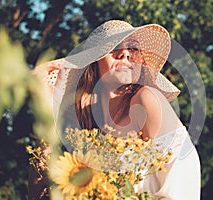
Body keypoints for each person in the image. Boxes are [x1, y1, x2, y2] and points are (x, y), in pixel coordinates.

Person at [32, 20, 201, 200]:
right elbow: (39, 191)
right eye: (113, 47)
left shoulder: (147, 99)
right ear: (94, 61)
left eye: (134, 48)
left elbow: (184, 173)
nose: (125, 54)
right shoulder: (86, 125)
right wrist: (48, 113)